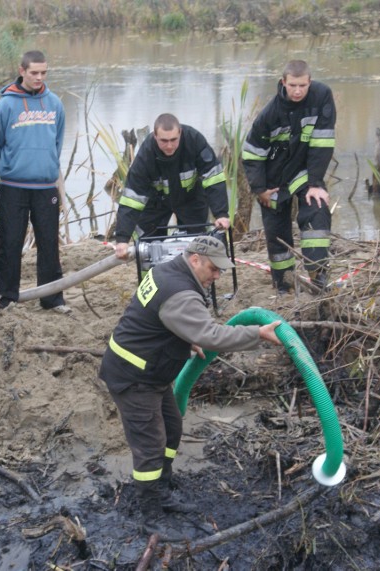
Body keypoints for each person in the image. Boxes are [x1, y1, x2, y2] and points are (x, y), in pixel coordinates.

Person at [99, 235, 281, 540]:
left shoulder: (166, 270)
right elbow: (213, 336)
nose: (217, 276)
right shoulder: (180, 292)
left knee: (172, 429)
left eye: (221, 270)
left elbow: (161, 318)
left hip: (152, 373)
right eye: (213, 268)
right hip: (134, 378)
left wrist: (187, 337)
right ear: (194, 259)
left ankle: (163, 492)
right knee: (150, 447)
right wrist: (257, 334)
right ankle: (151, 515)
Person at [242, 60, 335, 293]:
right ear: (283, 83)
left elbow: (322, 142)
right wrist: (259, 188)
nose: (297, 91)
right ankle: (283, 283)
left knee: (317, 208)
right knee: (276, 232)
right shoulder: (269, 114)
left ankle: (318, 274)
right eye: (292, 85)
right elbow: (251, 154)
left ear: (309, 82)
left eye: (302, 85)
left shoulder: (322, 96)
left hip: (304, 173)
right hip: (273, 179)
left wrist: (315, 183)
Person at [0, 50, 67, 311]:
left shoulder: (55, 103)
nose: (39, 77)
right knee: (10, 243)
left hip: (45, 187)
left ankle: (52, 298)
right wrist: (9, 167)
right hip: (13, 187)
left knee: (49, 243)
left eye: (43, 72)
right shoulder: (5, 105)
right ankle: (6, 298)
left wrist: (47, 166)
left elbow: (57, 142)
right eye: (34, 72)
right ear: (22, 71)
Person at [113, 114, 230, 260]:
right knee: (147, 249)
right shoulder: (145, 156)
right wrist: (122, 239)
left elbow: (214, 178)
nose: (169, 146)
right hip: (156, 203)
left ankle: (194, 281)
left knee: (198, 248)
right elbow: (132, 199)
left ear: (180, 132)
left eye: (174, 140)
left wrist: (221, 214)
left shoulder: (194, 140)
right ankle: (150, 279)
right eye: (164, 141)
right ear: (155, 136)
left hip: (191, 198)